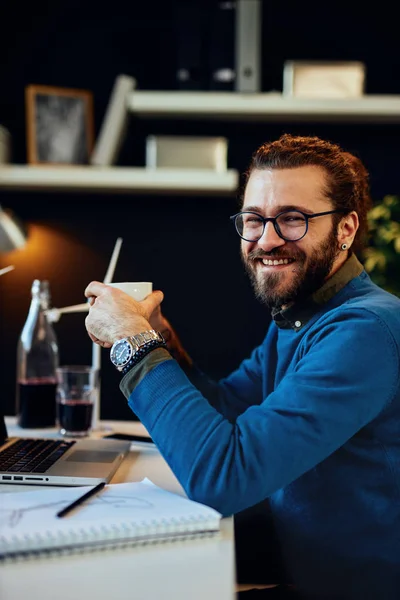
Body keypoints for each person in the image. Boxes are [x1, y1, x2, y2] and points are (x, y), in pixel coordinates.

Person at [84, 134, 400, 600]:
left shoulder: (365, 329)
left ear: (347, 229)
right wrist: (161, 341)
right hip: (297, 564)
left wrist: (135, 345)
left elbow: (223, 478)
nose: (267, 239)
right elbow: (228, 409)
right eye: (254, 220)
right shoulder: (304, 314)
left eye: (293, 219)